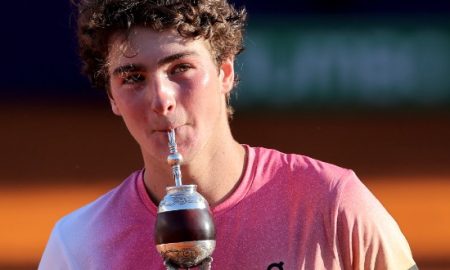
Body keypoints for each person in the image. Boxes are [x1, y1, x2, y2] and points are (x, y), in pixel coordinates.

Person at [39, 0, 418, 269]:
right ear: (112, 97)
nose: (160, 99)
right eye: (133, 78)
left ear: (225, 73)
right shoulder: (79, 247)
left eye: (181, 67)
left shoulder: (332, 204)